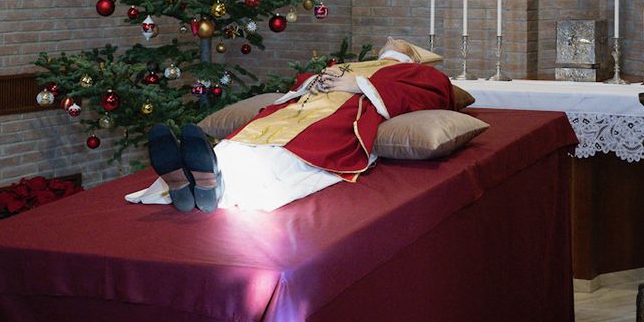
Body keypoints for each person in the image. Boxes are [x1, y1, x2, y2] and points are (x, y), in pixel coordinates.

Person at [128, 39, 454, 212]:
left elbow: (436, 95)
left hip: (345, 112)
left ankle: (211, 186)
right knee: (249, 138)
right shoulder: (352, 63)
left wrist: (359, 85)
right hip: (301, 107)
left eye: (396, 41)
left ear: (407, 55)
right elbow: (302, 81)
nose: (388, 41)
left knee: (287, 149)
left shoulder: (419, 73)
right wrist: (317, 81)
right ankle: (193, 179)